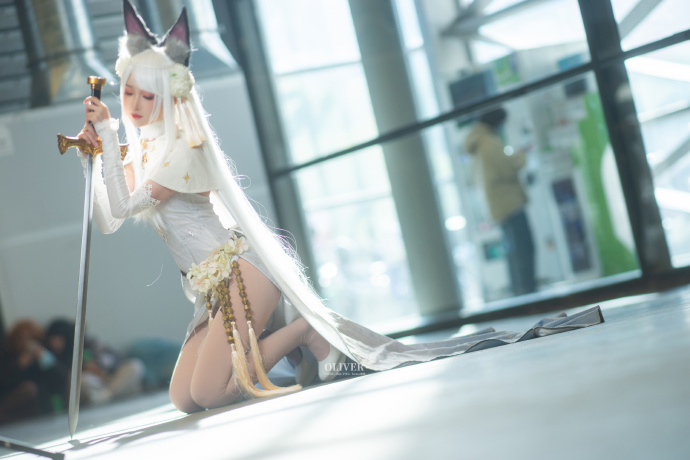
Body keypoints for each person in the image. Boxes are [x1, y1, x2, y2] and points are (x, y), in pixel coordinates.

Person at [72, 1, 597, 414]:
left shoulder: (183, 151)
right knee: (184, 399)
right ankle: (275, 353)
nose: (133, 106)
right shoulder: (145, 154)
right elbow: (110, 219)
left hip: (241, 273)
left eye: (147, 97)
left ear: (170, 98)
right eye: (127, 93)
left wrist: (109, 137)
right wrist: (93, 160)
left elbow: (124, 202)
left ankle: (303, 334)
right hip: (211, 291)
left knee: (210, 393)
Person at [464, 107, 537, 296]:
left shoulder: (479, 141)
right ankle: (526, 292)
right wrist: (521, 155)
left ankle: (521, 292)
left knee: (515, 250)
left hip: (498, 204)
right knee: (523, 248)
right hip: (509, 202)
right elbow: (508, 168)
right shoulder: (489, 142)